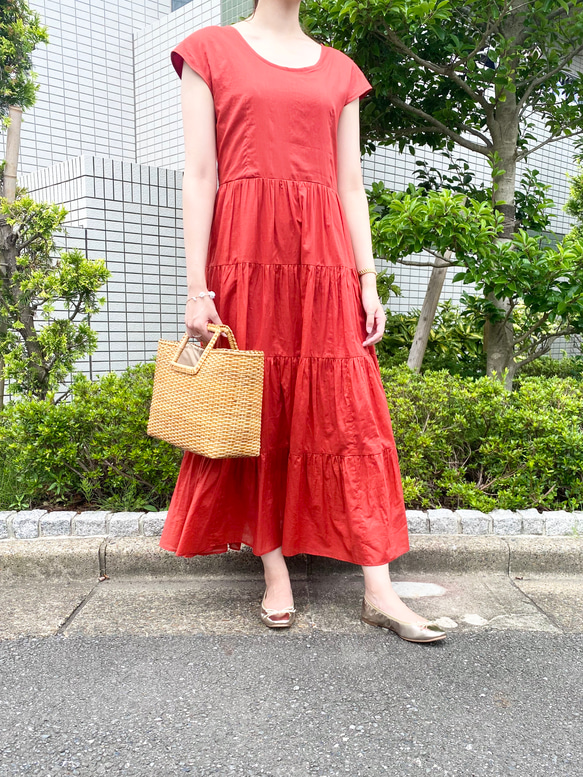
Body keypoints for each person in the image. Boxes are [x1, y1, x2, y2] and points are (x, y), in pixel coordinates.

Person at [159, 0, 446, 643]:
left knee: (350, 411)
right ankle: (274, 570)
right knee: (254, 410)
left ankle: (380, 588)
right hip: (243, 255)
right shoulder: (209, 50)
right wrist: (196, 287)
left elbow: (350, 185)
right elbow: (201, 174)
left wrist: (368, 278)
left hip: (325, 262)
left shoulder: (340, 71)